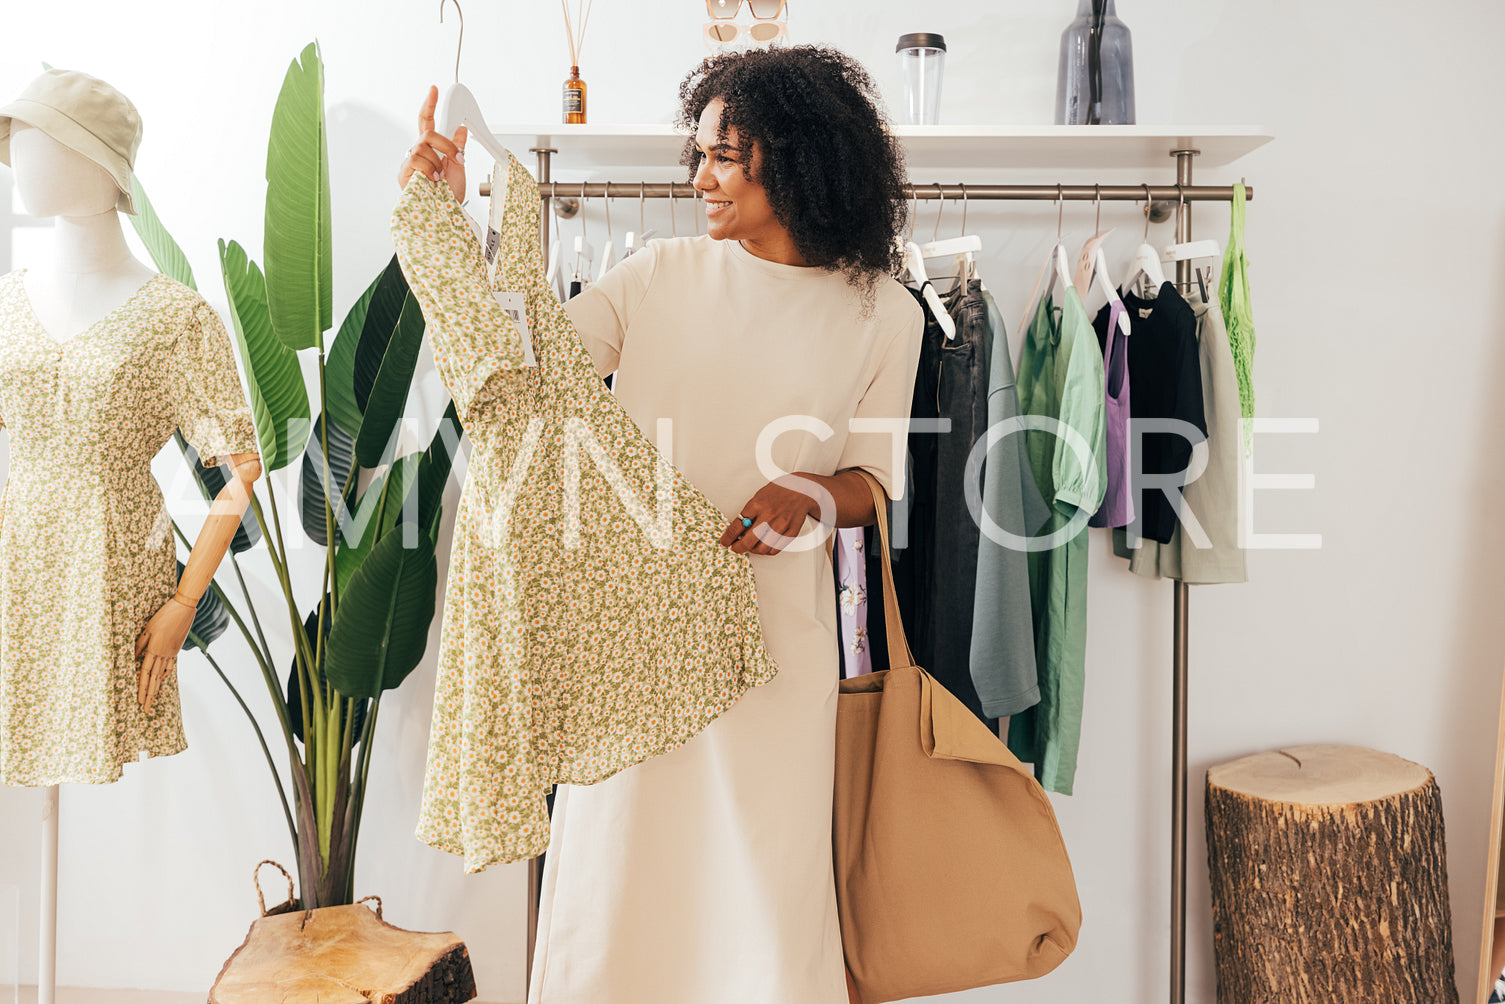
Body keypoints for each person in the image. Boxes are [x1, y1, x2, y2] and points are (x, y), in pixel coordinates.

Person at [400, 45, 923, 1004]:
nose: (700, 178)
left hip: (771, 652)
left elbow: (875, 485)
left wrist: (808, 492)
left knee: (763, 893)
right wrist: (462, 217)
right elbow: (525, 371)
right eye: (699, 154)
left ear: (797, 156)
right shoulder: (658, 276)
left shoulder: (883, 312)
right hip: (630, 645)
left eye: (726, 155)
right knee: (622, 888)